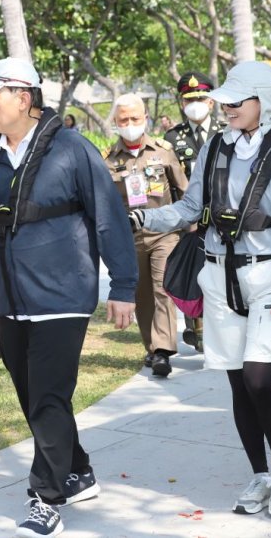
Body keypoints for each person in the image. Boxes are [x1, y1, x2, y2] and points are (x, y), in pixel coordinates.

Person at [0, 57, 137, 537]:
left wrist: (123, 287)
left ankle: (45, 497)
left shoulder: (74, 150)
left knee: (47, 396)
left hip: (64, 296)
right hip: (11, 301)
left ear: (24, 98)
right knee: (34, 397)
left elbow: (110, 218)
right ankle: (77, 469)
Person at [131, 61, 271, 517]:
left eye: (237, 100)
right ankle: (259, 475)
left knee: (260, 377)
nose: (227, 107)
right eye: (226, 100)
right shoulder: (215, 146)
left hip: (270, 276)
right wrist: (143, 217)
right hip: (218, 274)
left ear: (264, 101)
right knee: (238, 381)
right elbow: (191, 206)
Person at [103, 93, 185, 376]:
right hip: (130, 238)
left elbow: (184, 191)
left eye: (135, 118)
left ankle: (163, 350)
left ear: (145, 118)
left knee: (163, 289)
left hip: (165, 233)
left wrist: (192, 229)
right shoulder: (107, 160)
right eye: (123, 119)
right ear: (116, 122)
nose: (130, 124)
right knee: (143, 295)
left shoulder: (163, 150)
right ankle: (152, 347)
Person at [164, 72, 224, 352]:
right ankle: (196, 329)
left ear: (211, 101)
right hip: (190, 220)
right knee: (193, 273)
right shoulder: (172, 138)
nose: (196, 104)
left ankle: (217, 330)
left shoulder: (225, 131)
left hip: (224, 218)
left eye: (200, 98)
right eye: (190, 100)